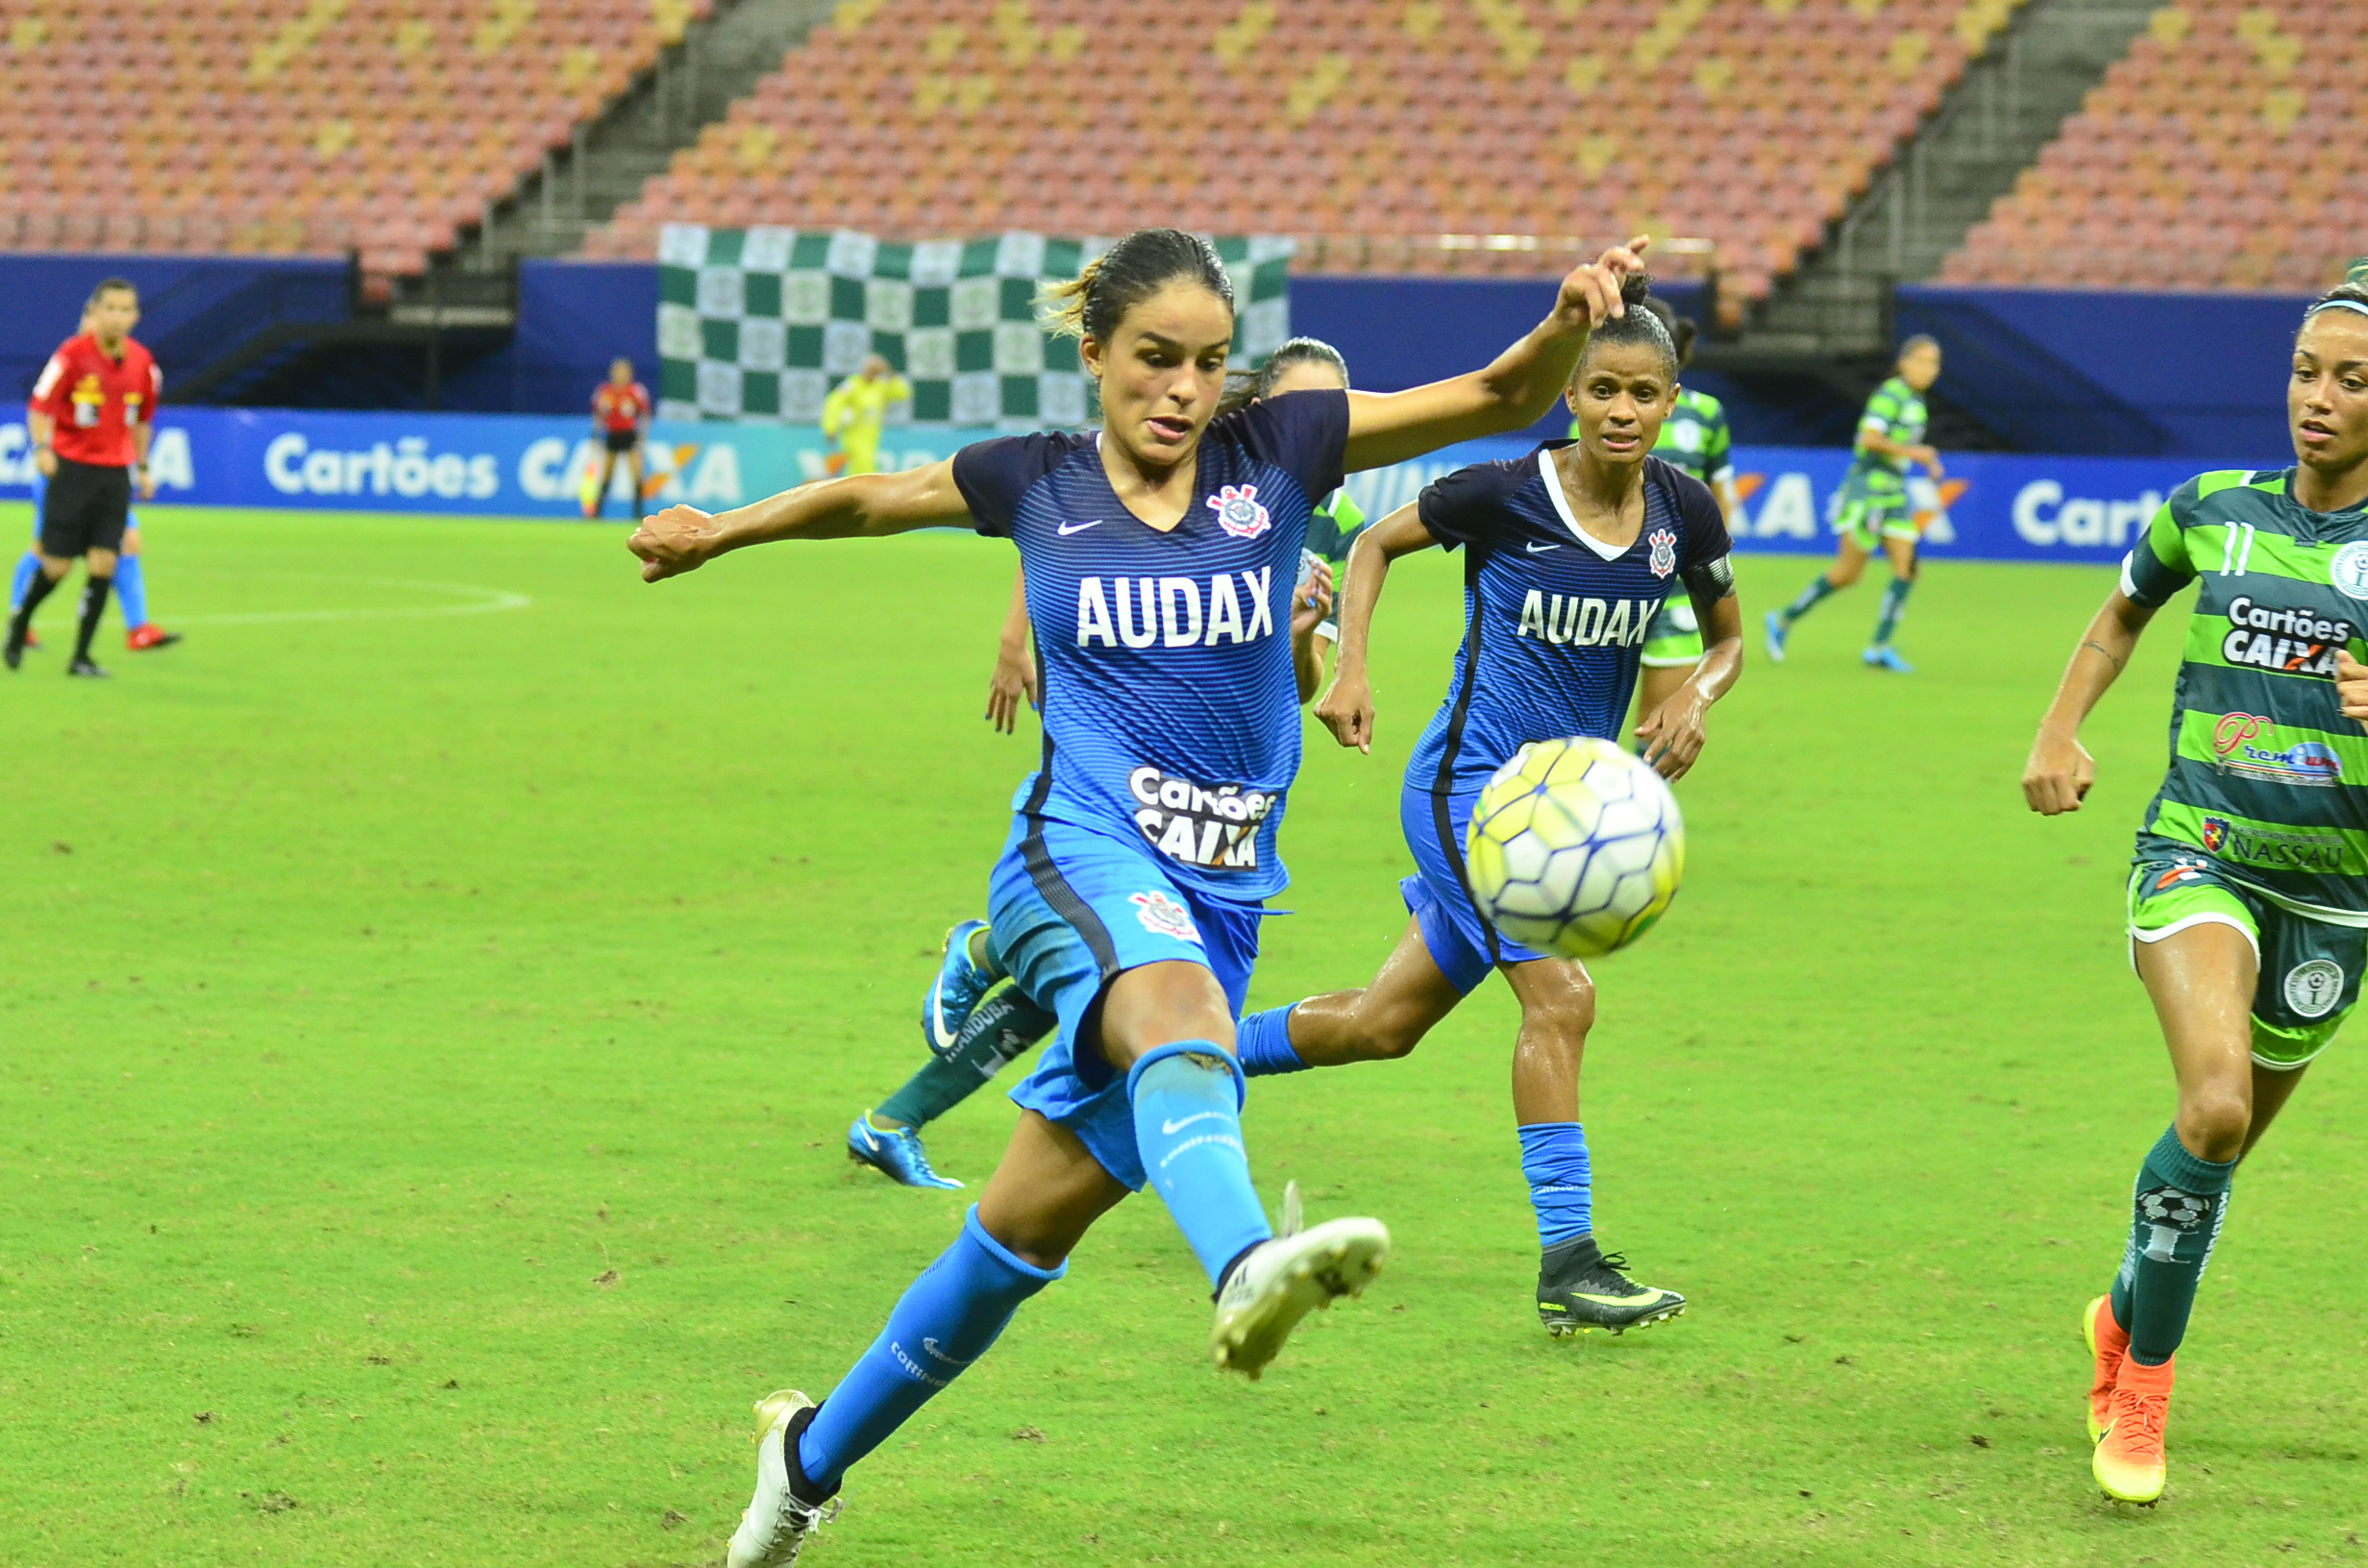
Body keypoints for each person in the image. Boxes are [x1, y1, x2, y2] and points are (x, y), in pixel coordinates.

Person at [628, 225, 1650, 1567]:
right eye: (1155, 359)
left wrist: (1567, 324)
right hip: (1080, 855)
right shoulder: (1035, 483)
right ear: (1096, 354)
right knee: (1182, 1023)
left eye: (1209, 362)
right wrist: (725, 532)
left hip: (1220, 899)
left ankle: (803, 1462)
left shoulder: (1282, 450)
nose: (1181, 387)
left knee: (1013, 1243)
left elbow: (1500, 400)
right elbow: (874, 495)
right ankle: (1244, 1267)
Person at [1225, 271, 1742, 1339]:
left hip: (1557, 817)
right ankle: (1569, 1261)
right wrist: (1352, 668)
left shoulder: (1684, 512)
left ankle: (1170, 1061)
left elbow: (1729, 637)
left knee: (1382, 1025)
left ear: (1669, 404)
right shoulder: (1503, 489)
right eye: (1601, 388)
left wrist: (1697, 690)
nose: (1619, 410)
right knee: (1562, 1002)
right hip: (1471, 794)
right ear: (1571, 396)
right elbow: (1373, 544)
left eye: (1643, 394)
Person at [849, 340, 1358, 1191]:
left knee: (1085, 988)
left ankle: (894, 1116)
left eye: (1338, 410)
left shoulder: (1320, 525)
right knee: (1127, 978)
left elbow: (1296, 687)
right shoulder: (1196, 468)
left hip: (1217, 810)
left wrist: (1302, 639)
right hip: (1124, 774)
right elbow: (1060, 529)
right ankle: (988, 968)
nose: (1327, 428)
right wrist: (1016, 639)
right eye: (1307, 407)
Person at [2020, 263, 2368, 1507]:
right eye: (2303, 372)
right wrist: (2059, 730)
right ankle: (2142, 1398)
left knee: (2211, 1163)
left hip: (2338, 902)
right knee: (2214, 1109)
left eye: (2350, 380)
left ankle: (2121, 1316)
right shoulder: (2211, 507)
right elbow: (2121, 614)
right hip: (2200, 851)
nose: (2316, 399)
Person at [5, 279, 160, 677]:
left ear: (136, 316)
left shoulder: (144, 362)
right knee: (56, 566)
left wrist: (141, 467)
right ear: (95, 311)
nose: (117, 317)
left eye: (126, 310)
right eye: (110, 308)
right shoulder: (72, 355)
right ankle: (19, 623)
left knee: (106, 562)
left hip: (115, 475)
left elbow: (142, 420)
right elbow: (39, 405)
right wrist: (42, 449)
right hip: (73, 471)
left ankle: (81, 657)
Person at [1764, 334, 1943, 673]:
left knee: (1907, 569)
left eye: (1934, 363)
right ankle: (1783, 619)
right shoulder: (1890, 395)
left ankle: (1879, 647)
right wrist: (1915, 454)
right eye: (1921, 360)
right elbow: (1869, 438)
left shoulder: (1916, 403)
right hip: (1867, 492)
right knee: (1847, 573)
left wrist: (1923, 461)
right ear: (1902, 363)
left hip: (1894, 494)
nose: (1928, 369)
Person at [1595, 299, 1735, 724]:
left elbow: (1718, 494)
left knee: (1656, 736)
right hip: (1605, 591)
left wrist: (1710, 560)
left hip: (1674, 591)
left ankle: (1641, 792)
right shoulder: (1595, 412)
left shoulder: (1707, 413)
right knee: (1580, 739)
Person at [819, 354, 912, 478]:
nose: (872, 374)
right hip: (853, 435)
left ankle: (851, 494)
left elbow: (903, 392)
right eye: (870, 370)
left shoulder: (881, 387)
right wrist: (830, 427)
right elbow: (834, 402)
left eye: (875, 371)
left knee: (858, 470)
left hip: (872, 436)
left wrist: (889, 372)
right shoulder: (853, 385)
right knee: (864, 469)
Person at [583, 357, 652, 520]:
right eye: (617, 371)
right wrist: (596, 437)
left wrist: (642, 437)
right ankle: (596, 512)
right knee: (607, 475)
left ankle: (638, 512)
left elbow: (644, 415)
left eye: (623, 371)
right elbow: (598, 417)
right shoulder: (605, 391)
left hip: (629, 435)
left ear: (630, 373)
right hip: (612, 435)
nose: (620, 374)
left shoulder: (635, 391)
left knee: (637, 474)